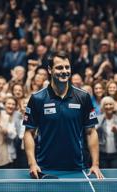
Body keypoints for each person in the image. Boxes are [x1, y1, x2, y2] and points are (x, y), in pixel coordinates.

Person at [23, 51, 103, 179]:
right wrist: (32, 163)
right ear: (50, 70)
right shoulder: (37, 98)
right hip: (45, 168)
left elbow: (91, 132)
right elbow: (29, 133)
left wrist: (95, 164)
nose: (64, 71)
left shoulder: (83, 97)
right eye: (59, 67)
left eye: (67, 67)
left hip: (77, 167)